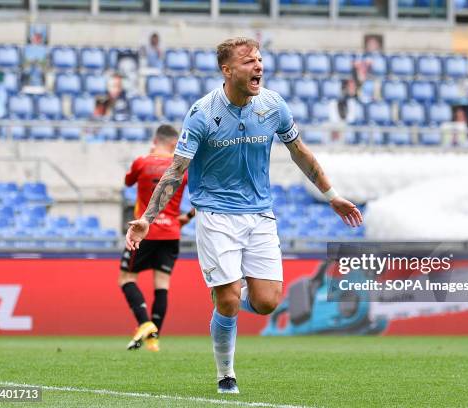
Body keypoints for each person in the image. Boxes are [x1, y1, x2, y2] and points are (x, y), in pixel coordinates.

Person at [125, 37, 363, 394]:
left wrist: (331, 196)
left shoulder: (272, 105)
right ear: (228, 70)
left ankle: (230, 300)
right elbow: (176, 169)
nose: (258, 66)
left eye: (260, 60)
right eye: (249, 61)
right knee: (228, 298)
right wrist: (147, 216)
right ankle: (226, 374)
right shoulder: (202, 113)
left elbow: (299, 151)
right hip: (216, 215)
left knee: (267, 302)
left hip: (260, 214)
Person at [119, 124, 194, 352]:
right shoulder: (183, 168)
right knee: (162, 285)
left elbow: (128, 182)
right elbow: (202, 199)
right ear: (174, 144)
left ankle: (144, 323)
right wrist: (186, 217)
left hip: (145, 230)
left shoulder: (142, 161)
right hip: (171, 232)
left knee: (126, 278)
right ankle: (154, 340)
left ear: (155, 140)